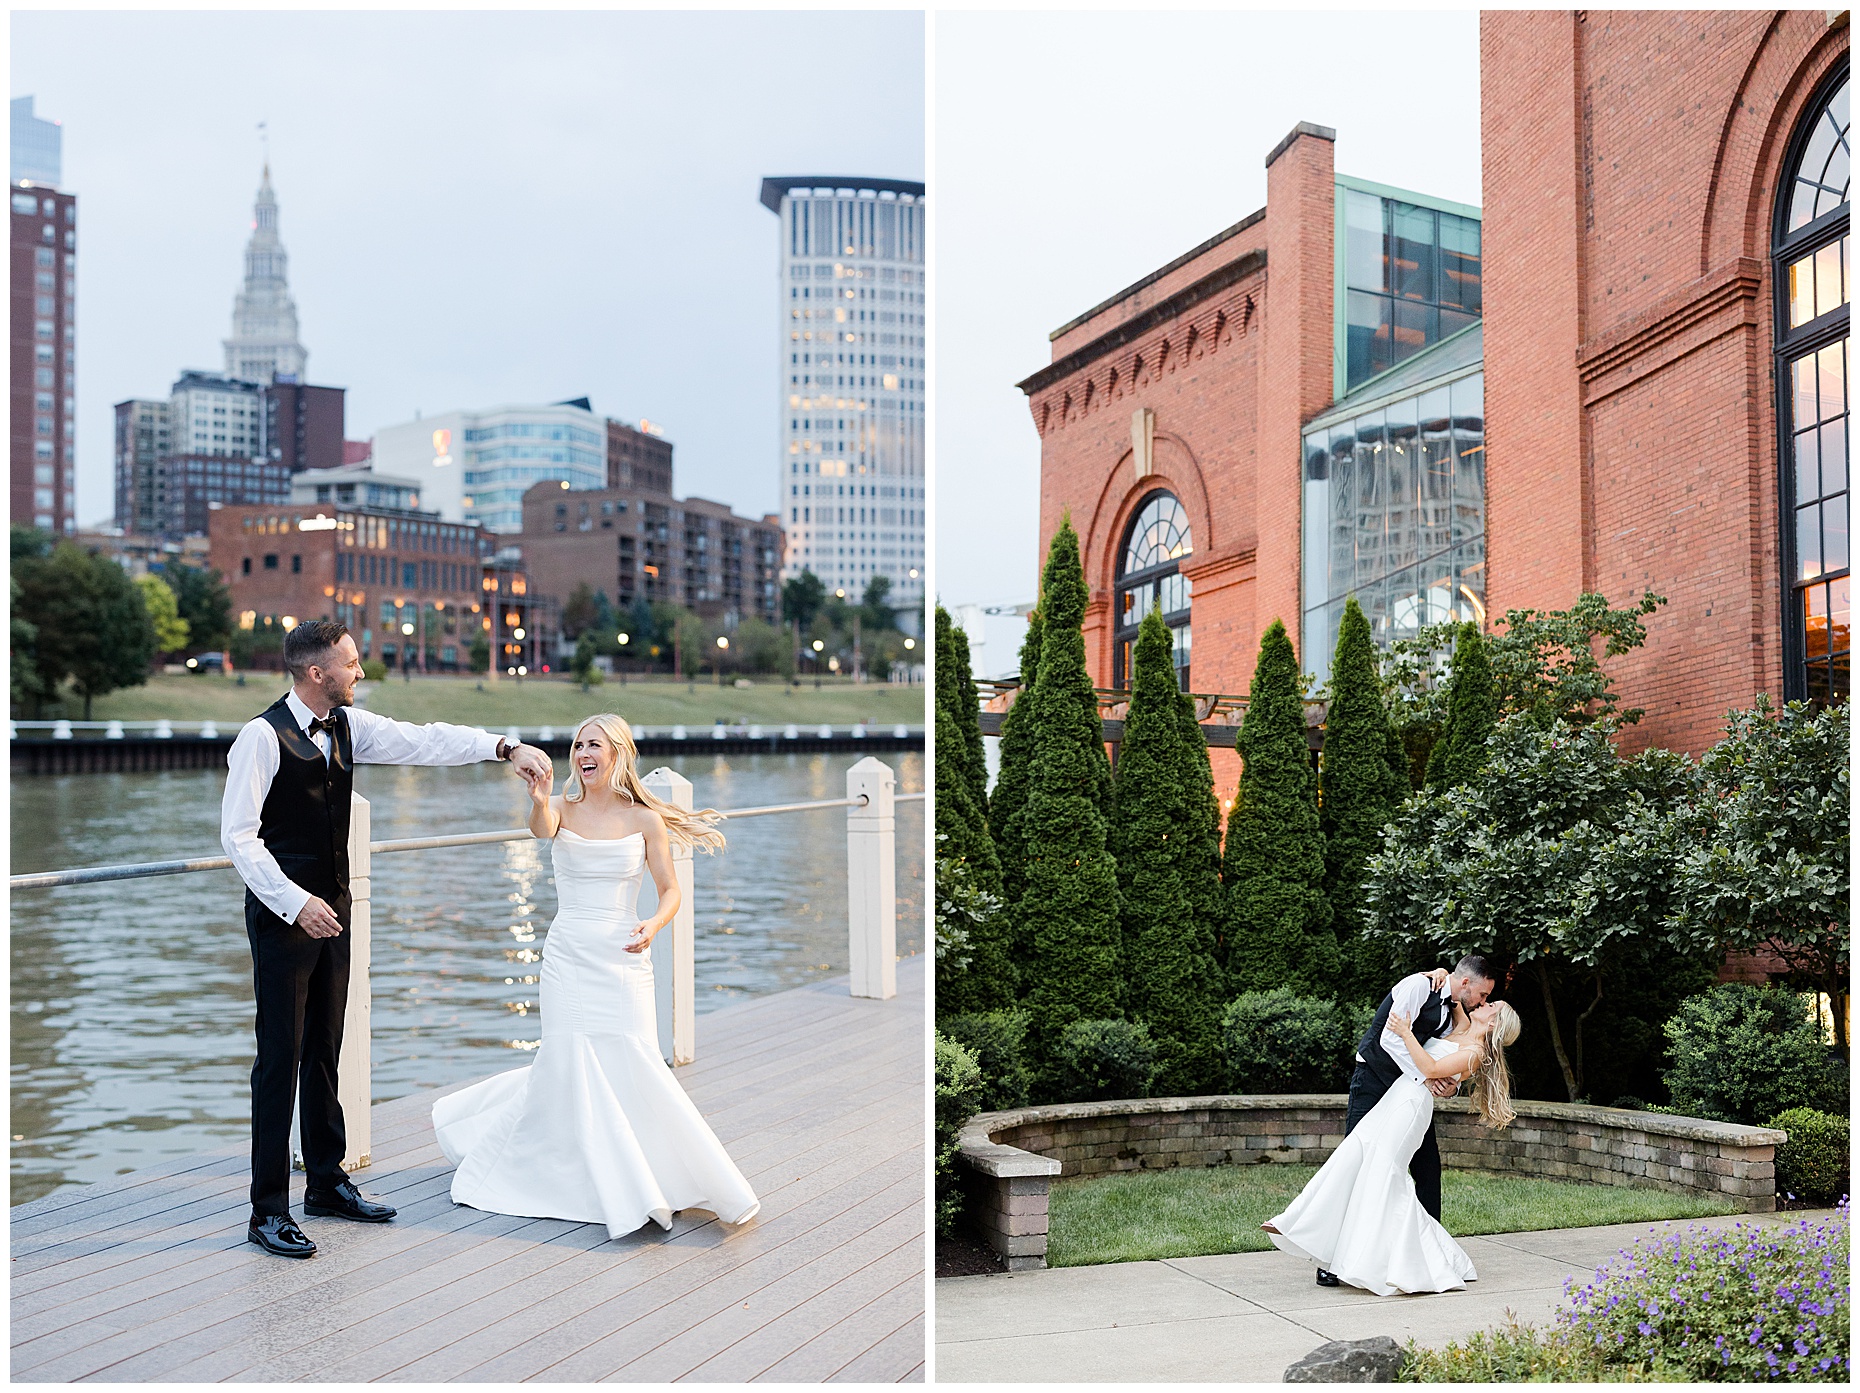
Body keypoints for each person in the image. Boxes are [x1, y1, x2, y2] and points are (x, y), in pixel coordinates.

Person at [221, 620, 552, 1259]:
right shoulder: (260, 739)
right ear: (317, 673)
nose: (360, 672)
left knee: (325, 1049)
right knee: (278, 1060)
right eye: (350, 663)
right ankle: (267, 1211)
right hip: (284, 919)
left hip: (336, 910)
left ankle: (326, 1182)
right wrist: (295, 903)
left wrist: (505, 748)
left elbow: (425, 741)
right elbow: (239, 838)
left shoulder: (350, 725)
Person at [432, 713, 761, 1239]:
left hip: (624, 953)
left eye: (595, 745)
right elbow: (540, 830)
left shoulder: (645, 819)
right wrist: (539, 799)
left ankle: (650, 1171)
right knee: (568, 1055)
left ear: (618, 755)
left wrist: (654, 923)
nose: (584, 753)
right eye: (579, 744)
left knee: (633, 1057)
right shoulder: (560, 808)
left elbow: (670, 889)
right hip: (568, 956)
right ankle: (572, 1172)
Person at [1262, 997, 1523, 1295]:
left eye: (1492, 1005)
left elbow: (1432, 1067)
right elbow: (1452, 995)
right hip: (1395, 1096)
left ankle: (1395, 1260)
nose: (1484, 1003)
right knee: (1352, 1154)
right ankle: (1296, 1221)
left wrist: (1405, 1032)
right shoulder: (1463, 1026)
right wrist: (1438, 975)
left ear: (1493, 1023)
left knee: (1386, 1175)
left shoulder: (1475, 1052)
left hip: (1411, 1106)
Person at [1308, 955, 1496, 1286]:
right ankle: (1334, 1260)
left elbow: (1445, 1058)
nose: (1482, 1002)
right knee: (1357, 1163)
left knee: (1428, 1170)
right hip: (1373, 1081)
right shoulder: (1416, 986)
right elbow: (1390, 1039)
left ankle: (1428, 1253)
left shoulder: (1451, 1013)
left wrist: (1447, 1087)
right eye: (1482, 995)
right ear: (1466, 983)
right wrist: (1425, 1077)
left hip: (1409, 1097)